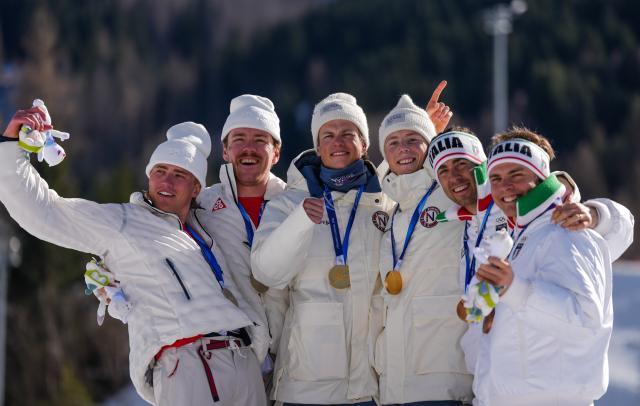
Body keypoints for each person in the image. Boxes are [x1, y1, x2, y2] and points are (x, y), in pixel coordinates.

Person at [0, 105, 266, 406]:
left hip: (244, 364)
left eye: (179, 175)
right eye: (159, 172)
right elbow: (44, 211)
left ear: (195, 188)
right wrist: (11, 149)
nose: (166, 182)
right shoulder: (124, 223)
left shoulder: (207, 229)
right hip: (192, 365)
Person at [428, 127, 634, 376]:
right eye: (444, 170)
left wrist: (596, 214)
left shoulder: (551, 217)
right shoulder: (458, 222)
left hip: (539, 386)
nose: (455, 176)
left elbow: (616, 231)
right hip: (488, 382)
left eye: (462, 164)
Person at [250, 93, 393, 405]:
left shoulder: (385, 206)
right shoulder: (288, 203)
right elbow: (265, 271)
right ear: (317, 146)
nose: (338, 142)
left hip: (371, 387)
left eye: (348, 134)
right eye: (328, 135)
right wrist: (300, 221)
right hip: (305, 386)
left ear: (364, 144)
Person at [473, 129, 618, 405]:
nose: (505, 187)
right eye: (496, 179)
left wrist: (516, 290)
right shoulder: (522, 238)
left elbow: (586, 322)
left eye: (516, 175)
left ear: (540, 178)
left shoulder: (567, 231)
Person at [374, 93, 472, 405]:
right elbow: (367, 189)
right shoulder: (392, 209)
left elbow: (504, 188)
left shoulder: (451, 189)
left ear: (430, 145)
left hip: (444, 380)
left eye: (413, 139)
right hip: (394, 384)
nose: (402, 149)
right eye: (393, 142)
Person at [196, 94, 289, 382]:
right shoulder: (201, 205)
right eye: (238, 139)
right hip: (234, 359)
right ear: (225, 150)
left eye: (260, 139)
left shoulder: (298, 206)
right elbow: (155, 228)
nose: (248, 148)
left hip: (296, 358)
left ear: (276, 152)